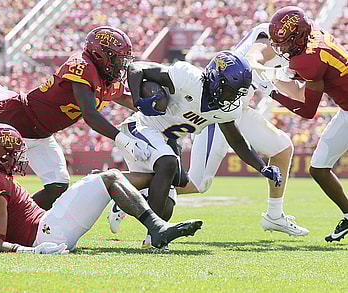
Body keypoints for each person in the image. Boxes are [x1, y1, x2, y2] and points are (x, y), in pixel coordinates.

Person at [0, 26, 150, 210]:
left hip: (41, 133)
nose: (121, 65)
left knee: (57, 186)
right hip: (15, 122)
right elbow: (90, 114)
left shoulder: (105, 77)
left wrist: (161, 106)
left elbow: (127, 99)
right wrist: (125, 141)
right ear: (100, 54)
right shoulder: (82, 65)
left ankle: (15, 220)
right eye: (118, 59)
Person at [108, 51, 282, 248]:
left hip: (165, 139)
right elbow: (135, 68)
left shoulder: (226, 108)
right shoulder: (189, 77)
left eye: (237, 92)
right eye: (230, 90)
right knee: (168, 163)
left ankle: (123, 194)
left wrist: (262, 167)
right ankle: (154, 237)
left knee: (169, 202)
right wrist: (139, 100)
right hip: (140, 128)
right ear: (216, 80)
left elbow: (237, 141)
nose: (233, 97)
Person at [0, 123, 202, 253]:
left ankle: (148, 199)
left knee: (103, 178)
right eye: (12, 151)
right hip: (47, 234)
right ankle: (156, 226)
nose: (18, 155)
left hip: (48, 226)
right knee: (108, 178)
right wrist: (29, 252)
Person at [175, 23, 309, 237]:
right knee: (197, 183)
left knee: (282, 148)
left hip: (238, 106)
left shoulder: (289, 50)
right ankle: (140, 195)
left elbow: (299, 94)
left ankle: (274, 216)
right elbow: (253, 63)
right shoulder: (267, 37)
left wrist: (319, 78)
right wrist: (275, 79)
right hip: (218, 105)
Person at [255, 6, 348, 242]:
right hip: (346, 110)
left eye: (285, 42)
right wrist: (275, 78)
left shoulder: (310, 58)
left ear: (298, 36)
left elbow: (307, 110)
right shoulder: (311, 36)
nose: (282, 48)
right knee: (318, 168)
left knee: (319, 167)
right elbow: (300, 88)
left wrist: (272, 93)